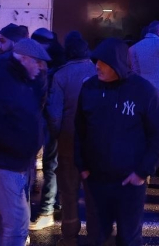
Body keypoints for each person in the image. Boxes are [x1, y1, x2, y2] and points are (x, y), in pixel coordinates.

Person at [75, 38, 159, 246]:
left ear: (117, 63)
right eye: (96, 61)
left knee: (128, 238)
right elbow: (79, 130)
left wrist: (142, 172)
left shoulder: (144, 91)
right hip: (96, 180)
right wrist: (82, 166)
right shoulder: (89, 88)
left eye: (103, 62)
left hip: (130, 181)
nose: (97, 66)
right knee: (96, 237)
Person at [0, 38, 50, 246]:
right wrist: (20, 148)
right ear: (25, 59)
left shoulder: (18, 77)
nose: (40, 67)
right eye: (37, 62)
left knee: (0, 218)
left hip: (9, 162)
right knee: (18, 223)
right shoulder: (7, 79)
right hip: (5, 163)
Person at [46, 31, 96, 246]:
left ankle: (69, 237)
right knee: (95, 192)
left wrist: (56, 135)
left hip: (68, 139)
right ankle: (97, 235)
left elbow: (55, 114)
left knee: (68, 191)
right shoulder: (99, 71)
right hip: (96, 142)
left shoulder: (61, 75)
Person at [128, 20, 159, 177]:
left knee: (145, 130)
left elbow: (134, 71)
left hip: (143, 95)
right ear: (158, 31)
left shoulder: (133, 48)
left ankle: (146, 165)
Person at [30, 27, 65, 231]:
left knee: (51, 164)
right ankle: (56, 202)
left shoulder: (50, 68)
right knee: (56, 164)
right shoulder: (62, 64)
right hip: (58, 122)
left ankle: (47, 210)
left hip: (51, 121)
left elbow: (49, 99)